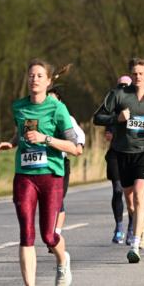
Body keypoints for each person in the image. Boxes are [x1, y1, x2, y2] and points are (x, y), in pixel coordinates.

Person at [0, 60, 81, 286]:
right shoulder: (18, 107)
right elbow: (21, 132)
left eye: (39, 75)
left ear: (48, 81)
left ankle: (62, 259)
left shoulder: (57, 109)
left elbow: (75, 148)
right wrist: (11, 143)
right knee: (26, 233)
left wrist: (46, 138)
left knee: (48, 234)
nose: (34, 79)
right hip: (25, 175)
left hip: (51, 176)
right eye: (31, 75)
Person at [93, 57, 144, 263]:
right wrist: (116, 119)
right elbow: (97, 118)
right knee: (131, 203)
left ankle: (135, 244)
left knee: (138, 195)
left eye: (141, 73)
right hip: (122, 153)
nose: (137, 77)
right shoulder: (118, 95)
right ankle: (141, 225)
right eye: (134, 73)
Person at [48, 85, 86, 236]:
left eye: (53, 100)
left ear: (59, 101)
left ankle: (56, 233)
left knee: (58, 199)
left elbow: (80, 135)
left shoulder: (67, 117)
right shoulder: (39, 117)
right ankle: (51, 233)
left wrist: (78, 146)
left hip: (61, 163)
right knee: (49, 202)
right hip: (43, 164)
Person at [106, 75, 131, 243]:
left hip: (133, 154)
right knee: (117, 190)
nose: (123, 88)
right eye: (120, 86)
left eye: (126, 86)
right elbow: (106, 131)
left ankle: (132, 228)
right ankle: (119, 226)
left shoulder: (138, 107)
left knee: (132, 195)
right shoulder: (113, 108)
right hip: (115, 153)